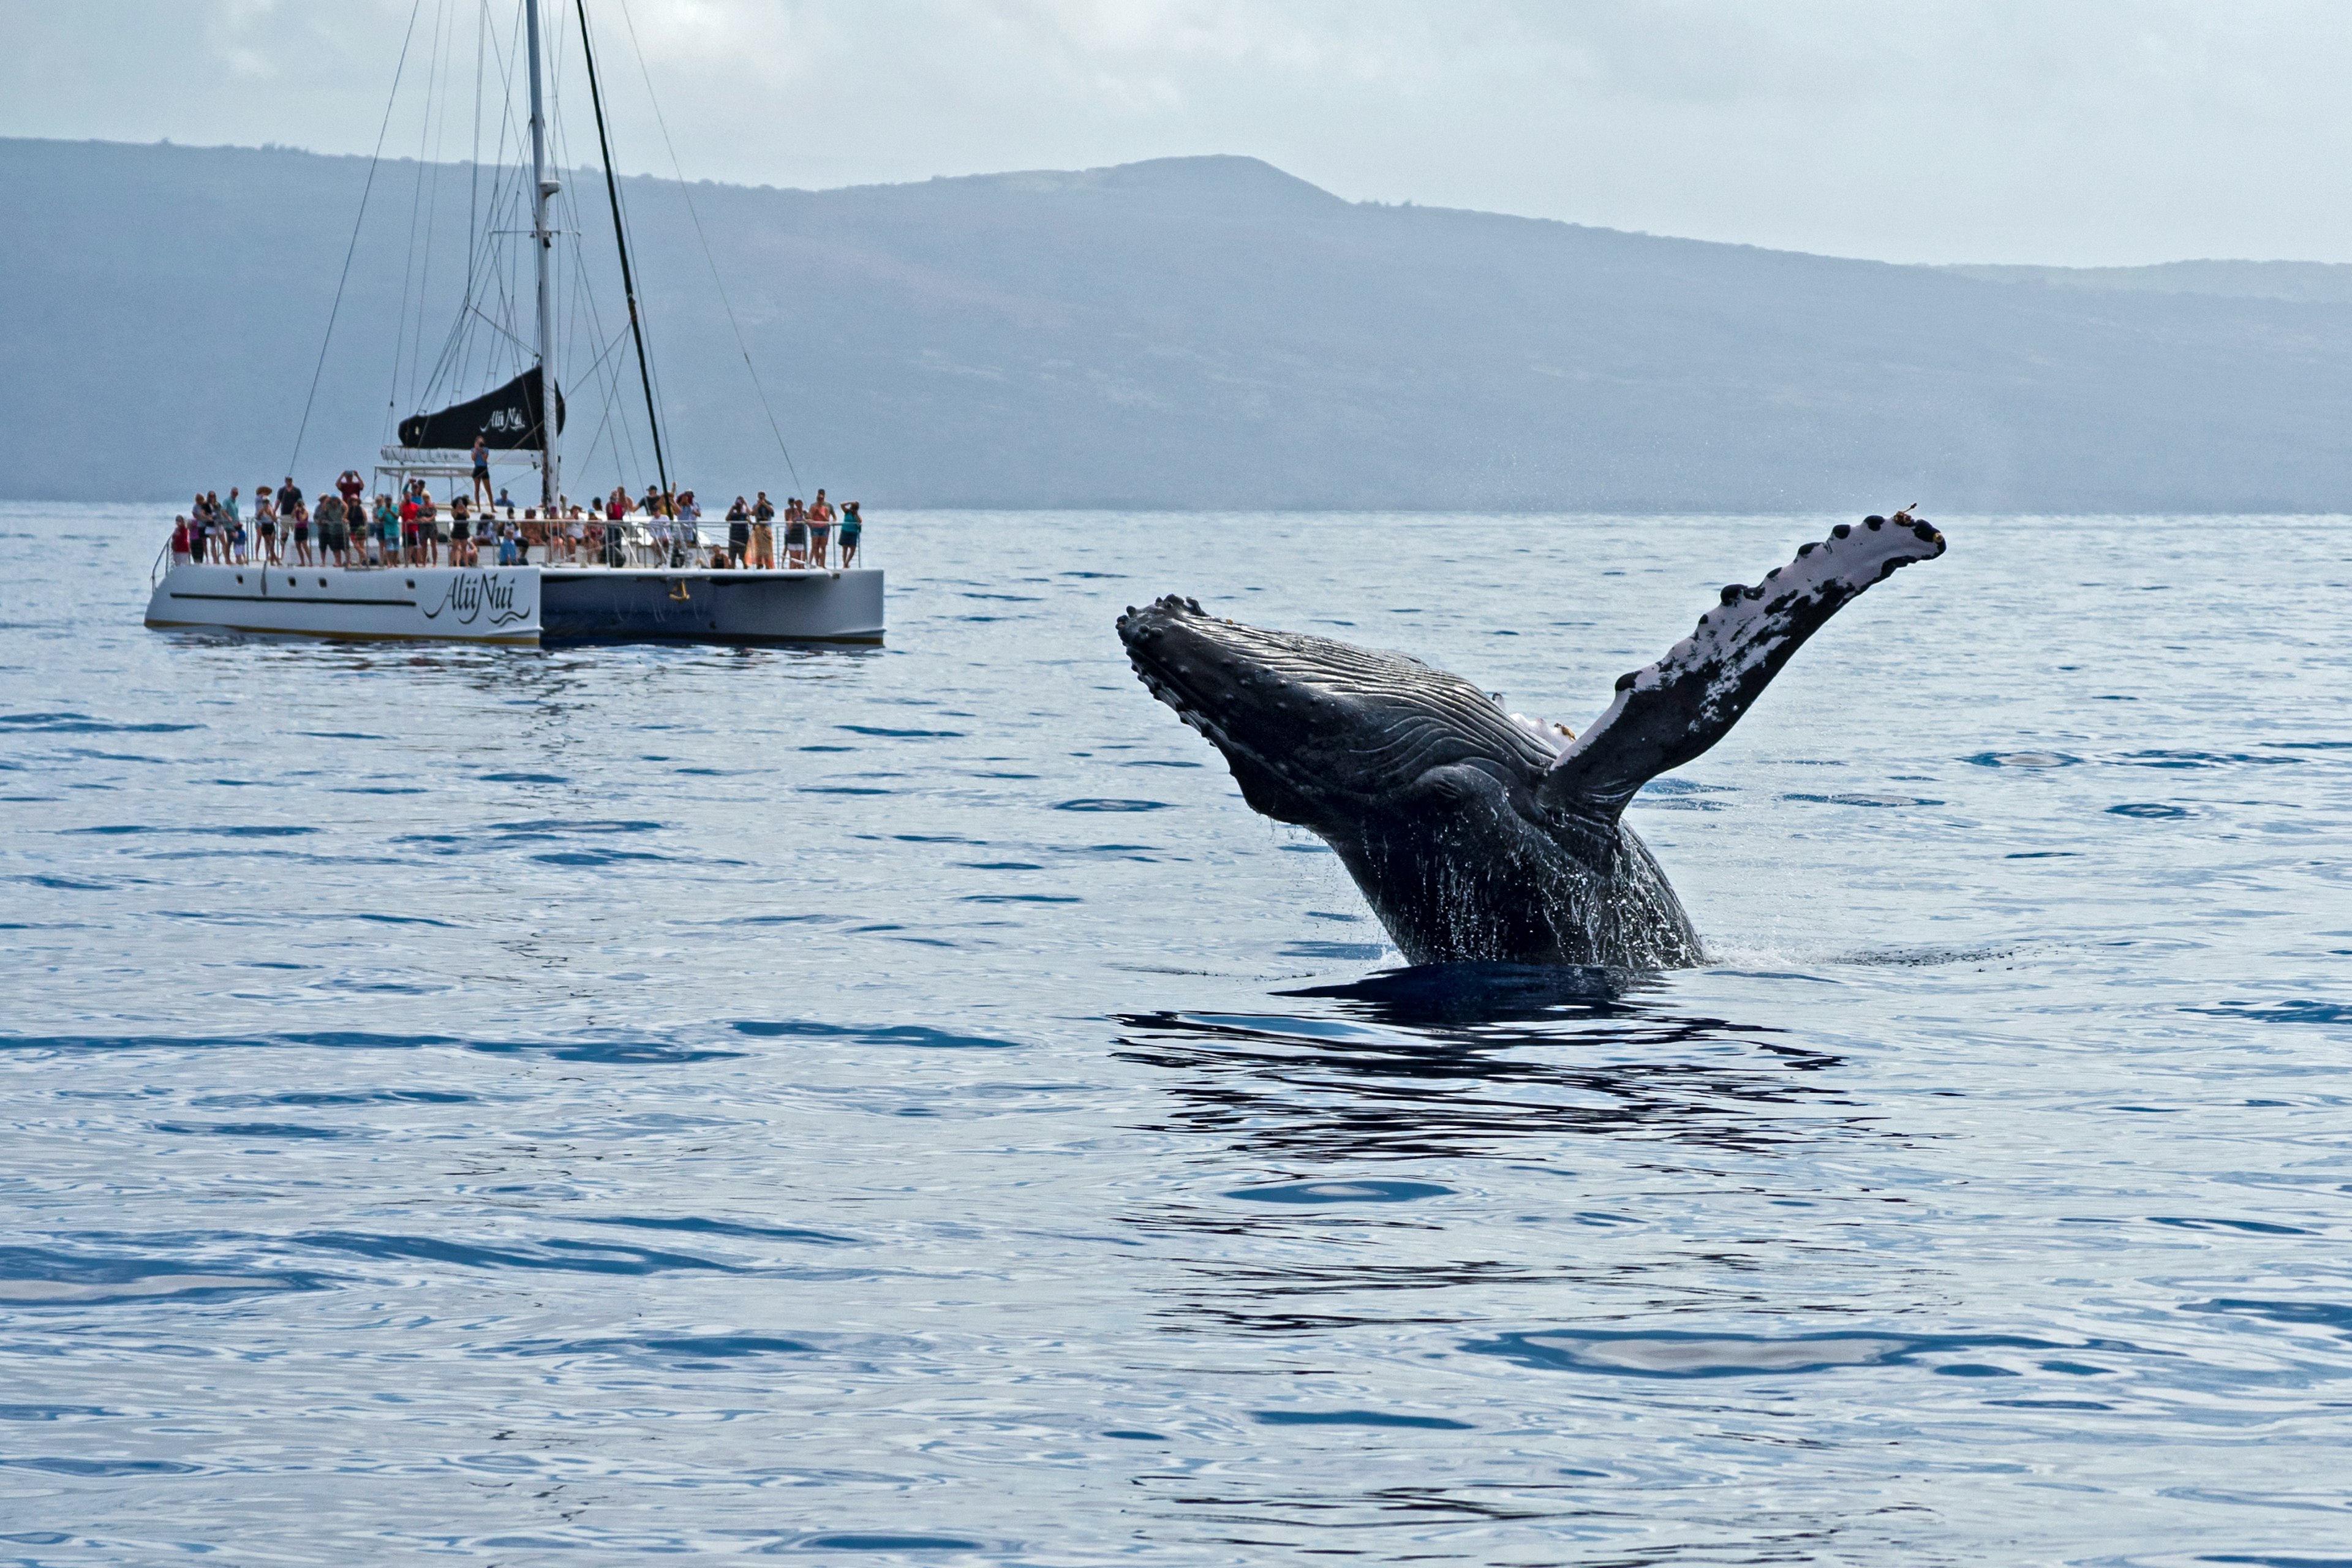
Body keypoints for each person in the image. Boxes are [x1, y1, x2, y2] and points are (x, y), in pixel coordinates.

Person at [315, 488, 345, 568]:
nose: (322, 501)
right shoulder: (318, 508)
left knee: (335, 547)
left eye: (324, 499)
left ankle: (338, 561)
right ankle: (323, 562)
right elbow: (316, 517)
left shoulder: (330, 506)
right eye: (321, 499)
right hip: (322, 530)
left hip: (331, 530)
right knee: (322, 547)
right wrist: (318, 521)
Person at [808, 488, 834, 569]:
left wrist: (832, 522)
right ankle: (816, 563)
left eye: (821, 498)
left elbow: (829, 518)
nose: (820, 500)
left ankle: (822, 564)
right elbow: (810, 517)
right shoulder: (813, 506)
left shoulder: (827, 507)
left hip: (824, 528)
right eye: (818, 498)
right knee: (815, 546)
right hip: (815, 528)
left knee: (823, 547)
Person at [254, 481, 279, 564]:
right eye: (263, 492)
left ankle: (269, 557)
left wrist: (272, 515)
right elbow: (258, 515)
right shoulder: (258, 500)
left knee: (271, 542)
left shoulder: (269, 504)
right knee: (260, 538)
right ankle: (258, 556)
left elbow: (273, 515)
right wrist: (263, 496)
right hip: (261, 523)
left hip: (270, 524)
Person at [783, 495, 810, 569]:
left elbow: (810, 521)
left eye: (800, 505)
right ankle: (791, 570)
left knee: (798, 558)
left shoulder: (804, 513)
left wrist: (803, 519)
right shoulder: (791, 513)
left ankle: (800, 568)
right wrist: (793, 519)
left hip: (800, 538)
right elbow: (789, 525)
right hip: (792, 538)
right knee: (793, 559)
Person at [751, 491, 775, 569]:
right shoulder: (756, 505)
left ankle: (768, 565)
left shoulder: (769, 504)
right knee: (759, 549)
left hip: (767, 529)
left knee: (767, 549)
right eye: (760, 497)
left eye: (762, 497)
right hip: (759, 529)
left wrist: (764, 503)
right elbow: (753, 513)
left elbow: (771, 511)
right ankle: (759, 564)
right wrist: (759, 505)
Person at [725, 496, 751, 567]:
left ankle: (746, 571)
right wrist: (732, 509)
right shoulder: (733, 514)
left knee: (743, 558)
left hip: (742, 539)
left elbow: (750, 520)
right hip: (733, 538)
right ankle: (733, 572)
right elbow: (727, 519)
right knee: (732, 558)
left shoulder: (745, 514)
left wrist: (746, 504)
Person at [469, 434, 492, 507]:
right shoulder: (473, 450)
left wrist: (482, 451)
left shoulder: (486, 450)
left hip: (484, 469)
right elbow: (474, 459)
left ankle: (492, 507)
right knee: (477, 490)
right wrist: (476, 450)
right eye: (479, 442)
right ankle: (478, 507)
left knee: (488, 490)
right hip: (477, 468)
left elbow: (485, 459)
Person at [838, 500, 862, 567]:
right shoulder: (847, 512)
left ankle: (847, 562)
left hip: (853, 533)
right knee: (845, 548)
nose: (854, 509)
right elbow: (842, 505)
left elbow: (860, 521)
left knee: (853, 549)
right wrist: (850, 502)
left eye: (855, 508)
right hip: (845, 531)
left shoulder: (857, 516)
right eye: (853, 508)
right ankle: (844, 563)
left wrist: (856, 514)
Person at [291, 497, 312, 566]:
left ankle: (310, 561)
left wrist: (300, 511)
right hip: (298, 528)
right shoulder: (296, 510)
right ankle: (302, 562)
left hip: (304, 529)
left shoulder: (305, 512)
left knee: (305, 545)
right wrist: (295, 509)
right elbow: (292, 516)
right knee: (298, 545)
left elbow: (302, 519)